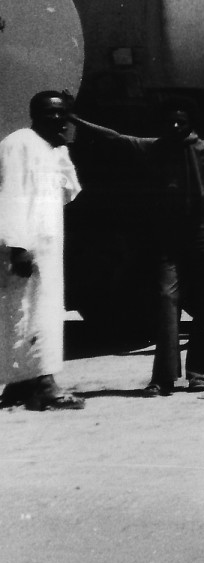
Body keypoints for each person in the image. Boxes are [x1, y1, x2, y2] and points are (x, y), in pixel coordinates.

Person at [72, 101, 204, 395]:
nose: (174, 127)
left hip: (203, 235)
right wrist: (77, 120)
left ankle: (202, 373)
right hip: (169, 237)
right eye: (169, 122)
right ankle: (163, 378)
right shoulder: (154, 148)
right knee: (165, 300)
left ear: (190, 125)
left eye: (180, 122)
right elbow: (115, 138)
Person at [0, 92, 85, 411]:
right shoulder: (18, 142)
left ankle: (21, 384)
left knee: (42, 314)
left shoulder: (53, 147)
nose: (59, 119)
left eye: (63, 114)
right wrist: (18, 246)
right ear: (35, 115)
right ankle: (43, 384)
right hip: (24, 245)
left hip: (47, 247)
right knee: (24, 313)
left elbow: (68, 193)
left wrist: (63, 149)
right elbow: (12, 194)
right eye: (51, 114)